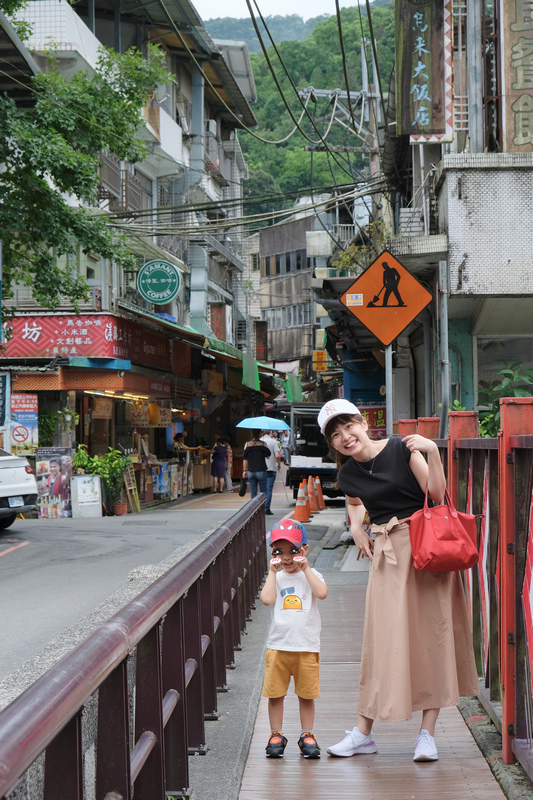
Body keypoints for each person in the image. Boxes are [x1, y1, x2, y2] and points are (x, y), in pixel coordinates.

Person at [317, 399, 478, 762]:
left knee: (431, 638)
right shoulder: (347, 476)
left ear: (363, 422)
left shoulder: (401, 448)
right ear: (332, 443)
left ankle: (427, 735)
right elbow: (355, 501)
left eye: (348, 426)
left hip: (427, 552)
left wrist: (433, 452)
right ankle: (363, 733)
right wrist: (357, 527)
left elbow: (437, 495)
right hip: (388, 558)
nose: (345, 436)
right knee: (381, 642)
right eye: (336, 434)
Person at [260, 519, 328, 759]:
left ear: (304, 550)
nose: (286, 558)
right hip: (278, 647)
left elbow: (322, 593)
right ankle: (275, 734)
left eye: (293, 551)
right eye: (279, 551)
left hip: (306, 647)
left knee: (306, 694)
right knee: (275, 694)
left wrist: (306, 568)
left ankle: (307, 734)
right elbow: (267, 599)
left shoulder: (312, 575)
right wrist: (271, 571)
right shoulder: (276, 578)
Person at [242, 430, 270, 503]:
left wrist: (244, 470)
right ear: (260, 434)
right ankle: (263, 509)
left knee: (253, 492)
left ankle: (254, 511)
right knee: (263, 492)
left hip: (251, 471)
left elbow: (245, 459)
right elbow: (268, 456)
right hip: (261, 470)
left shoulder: (247, 444)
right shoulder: (263, 444)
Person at [260, 430, 281, 515]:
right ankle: (266, 508)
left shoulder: (259, 441)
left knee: (262, 490)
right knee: (268, 489)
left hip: (261, 468)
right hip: (271, 468)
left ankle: (260, 508)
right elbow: (277, 455)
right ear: (271, 432)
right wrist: (278, 464)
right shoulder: (273, 442)